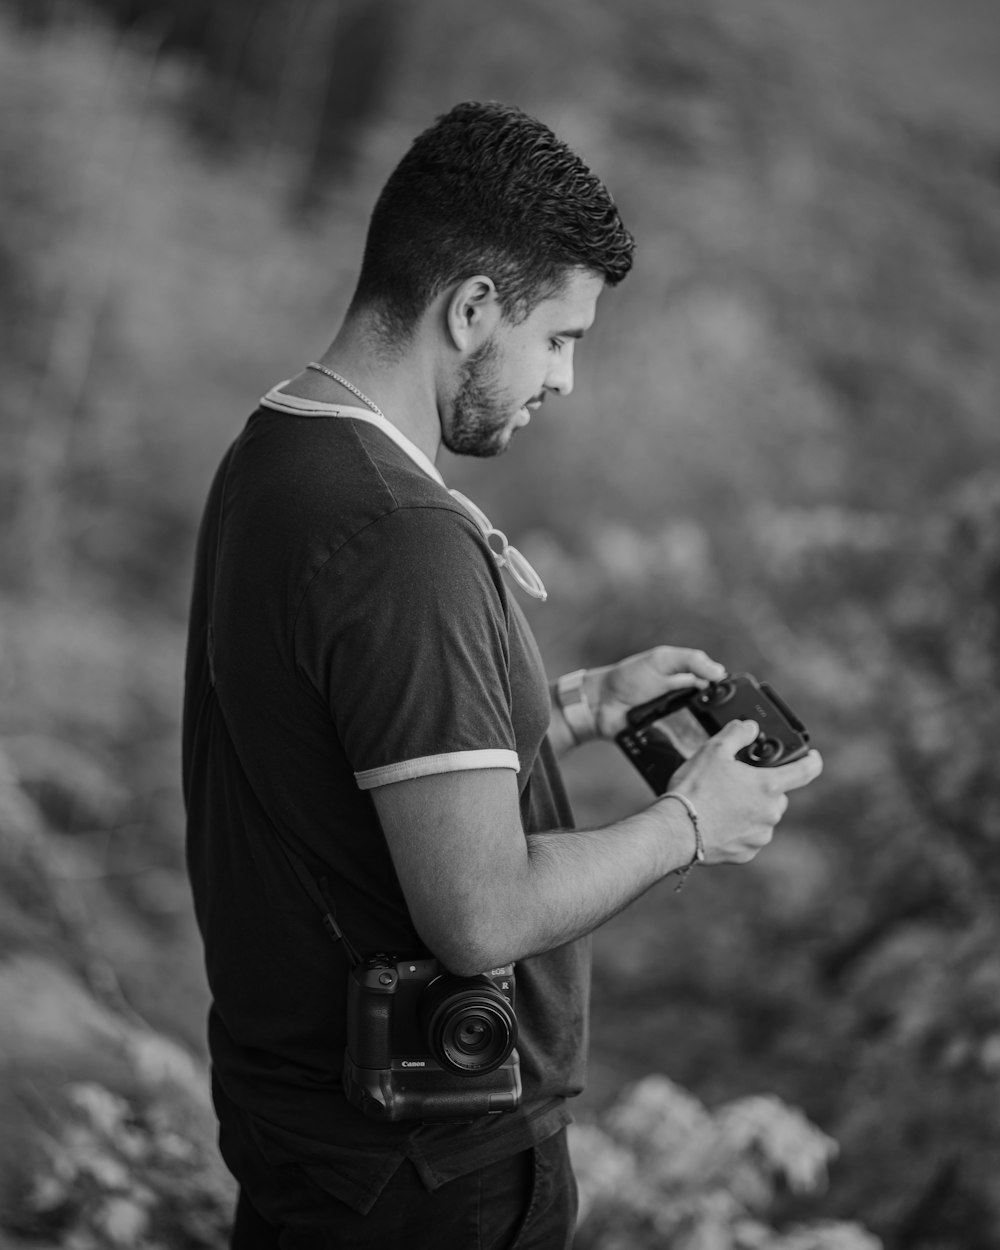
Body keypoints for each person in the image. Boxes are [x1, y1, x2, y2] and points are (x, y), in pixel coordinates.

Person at [182, 100, 823, 1250]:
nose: (566, 379)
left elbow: (347, 751)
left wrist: (576, 706)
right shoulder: (398, 535)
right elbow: (479, 913)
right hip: (423, 1173)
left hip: (314, 1141)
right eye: (561, 338)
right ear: (472, 306)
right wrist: (688, 823)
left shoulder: (278, 454)